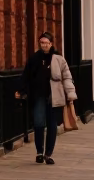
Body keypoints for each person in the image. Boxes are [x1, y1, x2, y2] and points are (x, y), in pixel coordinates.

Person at [15, 31, 77, 165]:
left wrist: (70, 94)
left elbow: (66, 76)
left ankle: (48, 154)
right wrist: (20, 89)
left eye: (46, 43)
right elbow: (26, 75)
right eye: (42, 43)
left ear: (51, 44)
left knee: (52, 125)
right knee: (38, 123)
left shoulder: (59, 58)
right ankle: (39, 151)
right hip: (39, 95)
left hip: (55, 96)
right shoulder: (34, 58)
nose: (44, 45)